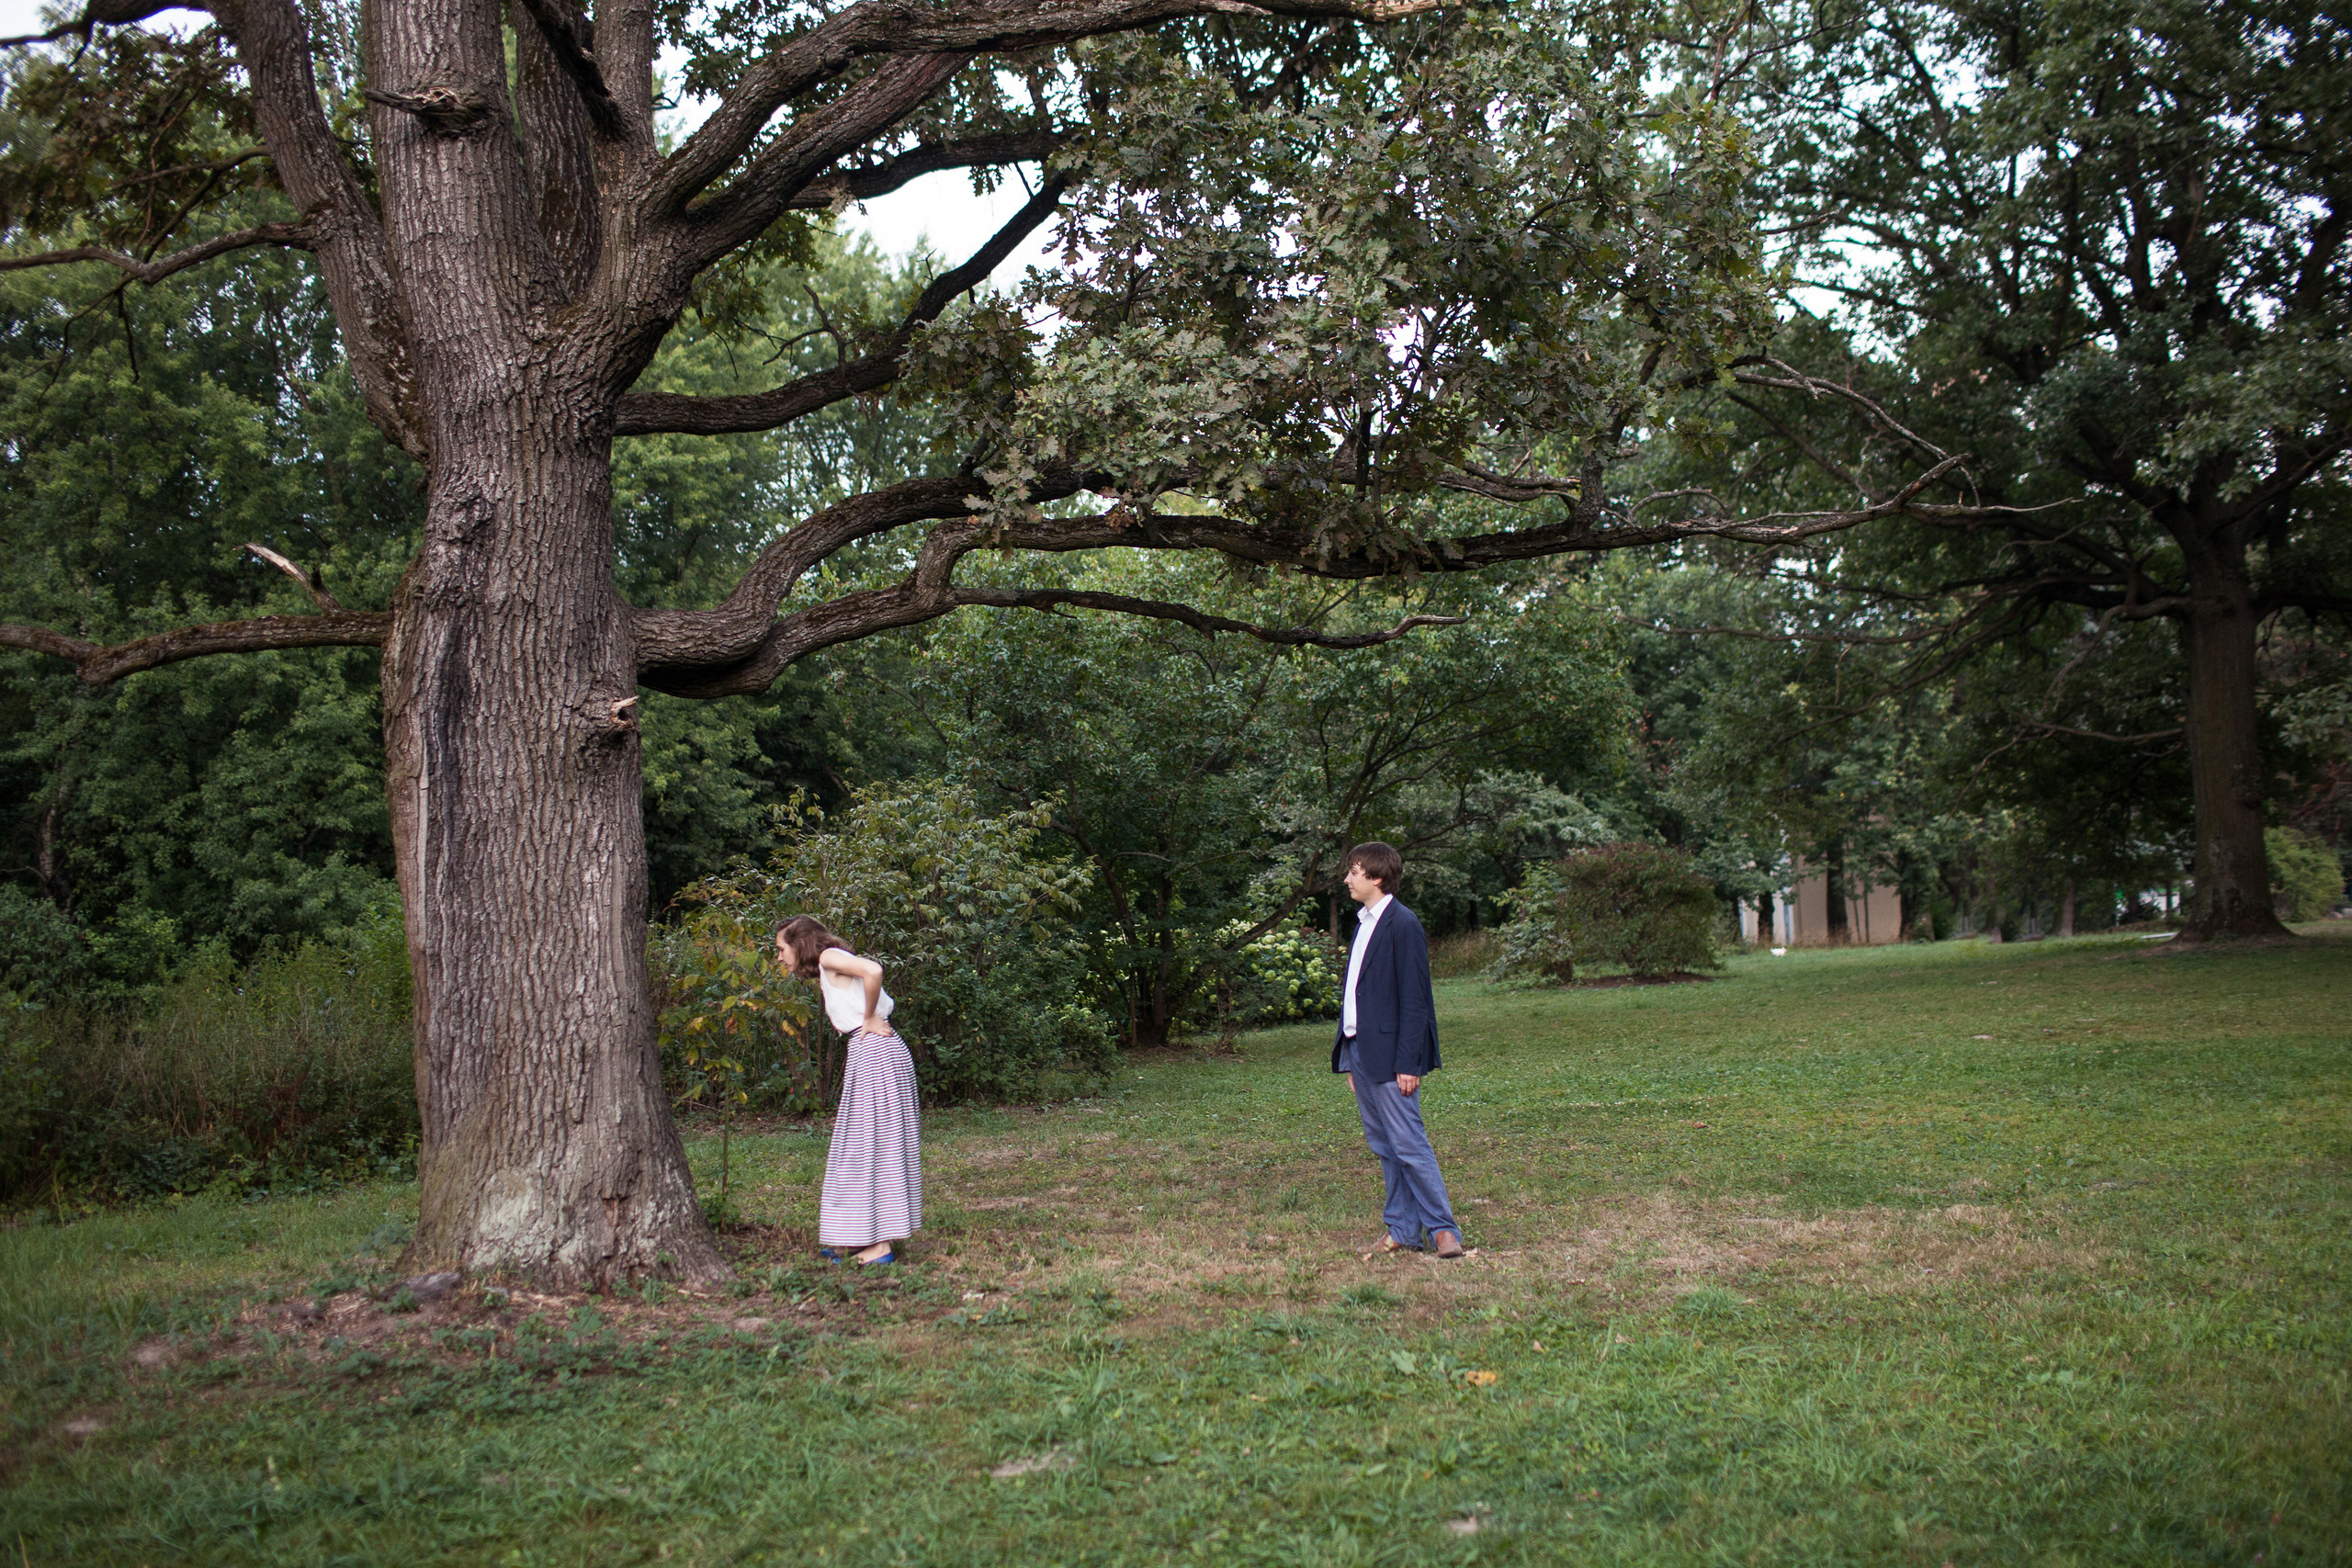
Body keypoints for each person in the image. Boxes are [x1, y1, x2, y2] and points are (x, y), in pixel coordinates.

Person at [1331, 841, 1464, 1258]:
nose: (1347, 879)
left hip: (1393, 1058)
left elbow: (1415, 999)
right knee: (1385, 1146)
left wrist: (1409, 1061)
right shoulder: (1363, 923)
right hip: (1361, 1052)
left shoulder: (1402, 923)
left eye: (1354, 871)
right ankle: (1403, 1230)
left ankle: (1443, 1231)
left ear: (1377, 877)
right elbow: (1357, 993)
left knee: (1408, 1144)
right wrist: (1348, 1057)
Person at [775, 915, 920, 1265]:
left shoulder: (827, 956)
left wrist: (869, 1017)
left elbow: (872, 970)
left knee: (872, 1146)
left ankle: (880, 1246)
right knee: (861, 1146)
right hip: (871, 1052)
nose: (778, 957)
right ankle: (859, 1234)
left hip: (875, 1051)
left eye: (781, 949)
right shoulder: (829, 965)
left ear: (800, 943)